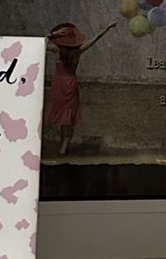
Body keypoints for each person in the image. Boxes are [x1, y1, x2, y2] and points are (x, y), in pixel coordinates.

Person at [45, 18, 118, 156]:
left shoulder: (56, 50)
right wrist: (108, 27)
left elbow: (40, 44)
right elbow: (95, 39)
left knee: (62, 117)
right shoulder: (78, 51)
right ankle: (64, 147)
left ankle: (62, 147)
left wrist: (52, 34)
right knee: (69, 117)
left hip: (59, 84)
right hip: (71, 84)